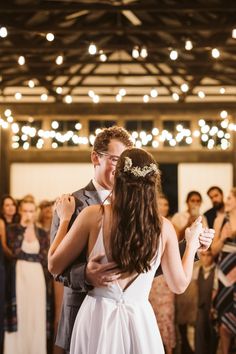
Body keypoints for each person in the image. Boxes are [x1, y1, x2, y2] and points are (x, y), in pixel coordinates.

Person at [48, 148, 215, 354]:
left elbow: (54, 264)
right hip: (139, 319)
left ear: (118, 178)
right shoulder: (163, 227)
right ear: (153, 185)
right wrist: (191, 245)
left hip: (96, 317)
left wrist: (64, 219)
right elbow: (179, 284)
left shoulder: (93, 216)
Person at [50, 126, 134, 352]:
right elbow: (56, 267)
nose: (120, 168)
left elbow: (145, 263)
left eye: (125, 162)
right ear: (95, 157)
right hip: (81, 312)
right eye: (115, 159)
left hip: (123, 318)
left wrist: (190, 248)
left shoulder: (132, 207)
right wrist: (85, 274)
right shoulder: (71, 204)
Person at [4, 198, 51, 354]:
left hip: (37, 276)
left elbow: (44, 258)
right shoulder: (12, 229)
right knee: (21, 312)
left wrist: (28, 257)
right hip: (19, 275)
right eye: (25, 211)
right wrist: (23, 227)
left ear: (35, 212)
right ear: (20, 211)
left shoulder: (42, 233)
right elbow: (14, 252)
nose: (28, 214)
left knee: (36, 314)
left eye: (31, 211)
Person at [172, 191, 208, 354]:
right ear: (187, 202)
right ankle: (183, 342)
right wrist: (188, 223)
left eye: (197, 201)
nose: (195, 203)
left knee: (195, 305)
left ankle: (193, 342)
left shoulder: (203, 218)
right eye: (192, 200)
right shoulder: (179, 217)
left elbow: (205, 243)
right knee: (181, 307)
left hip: (197, 266)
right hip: (180, 265)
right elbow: (173, 241)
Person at [149, 194, 176, 354]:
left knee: (167, 314)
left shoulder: (171, 226)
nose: (165, 207)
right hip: (151, 279)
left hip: (166, 279)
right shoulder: (147, 224)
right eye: (161, 204)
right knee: (153, 315)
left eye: (166, 204)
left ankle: (170, 349)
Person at [211, 187, 236, 354]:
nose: (226, 201)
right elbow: (213, 251)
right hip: (224, 277)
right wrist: (223, 238)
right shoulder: (220, 220)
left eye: (230, 198)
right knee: (224, 325)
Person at [194, 249, 218, 354]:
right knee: (199, 335)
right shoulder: (197, 271)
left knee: (212, 336)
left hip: (213, 309)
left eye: (208, 255)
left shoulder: (217, 271)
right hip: (201, 307)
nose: (205, 258)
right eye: (203, 255)